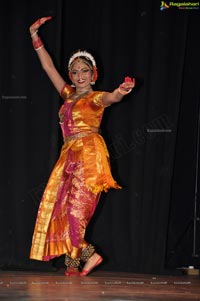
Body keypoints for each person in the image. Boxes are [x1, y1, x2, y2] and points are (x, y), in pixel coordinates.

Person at [29, 16, 135, 276]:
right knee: (62, 208)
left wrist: (121, 90)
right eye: (75, 71)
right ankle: (72, 264)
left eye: (84, 71)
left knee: (78, 210)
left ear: (93, 74)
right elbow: (48, 68)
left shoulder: (96, 97)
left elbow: (112, 98)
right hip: (68, 156)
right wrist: (34, 36)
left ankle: (89, 254)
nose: (79, 76)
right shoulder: (67, 95)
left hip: (89, 155)